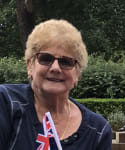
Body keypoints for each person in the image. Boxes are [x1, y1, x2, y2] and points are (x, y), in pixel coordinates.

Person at [0, 19, 112, 149]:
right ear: (30, 66)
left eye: (66, 62)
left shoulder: (98, 131)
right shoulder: (7, 104)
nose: (55, 68)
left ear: (77, 73)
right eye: (46, 59)